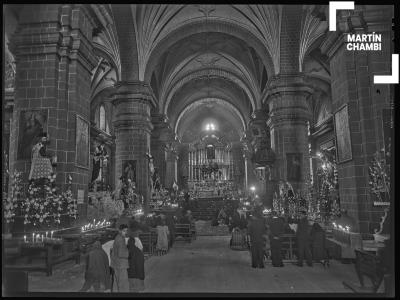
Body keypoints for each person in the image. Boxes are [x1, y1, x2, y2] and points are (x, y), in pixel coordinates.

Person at [111, 224, 129, 292]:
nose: (126, 232)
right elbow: (121, 253)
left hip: (116, 263)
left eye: (126, 231)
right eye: (124, 231)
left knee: (116, 282)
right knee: (123, 283)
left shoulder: (117, 237)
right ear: (120, 231)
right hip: (121, 264)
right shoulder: (121, 239)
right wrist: (128, 252)